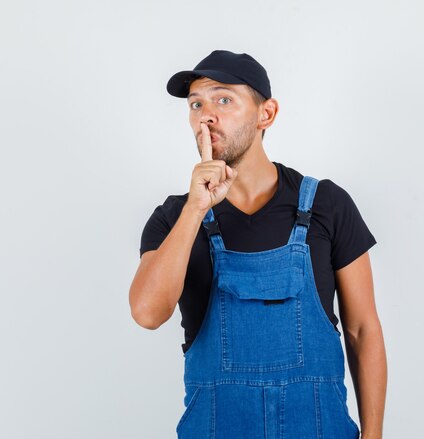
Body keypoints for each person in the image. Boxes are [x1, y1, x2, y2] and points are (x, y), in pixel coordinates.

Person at [129, 50, 387, 438]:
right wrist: (196, 207)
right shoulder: (175, 217)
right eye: (196, 104)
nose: (206, 115)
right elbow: (147, 313)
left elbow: (363, 330)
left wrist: (374, 435)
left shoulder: (326, 206)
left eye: (223, 99)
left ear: (266, 114)